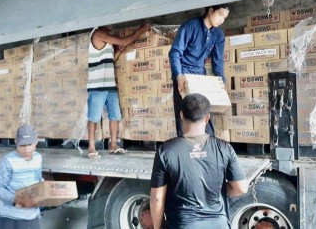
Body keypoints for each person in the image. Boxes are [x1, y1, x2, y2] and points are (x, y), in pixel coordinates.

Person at [150, 93, 248, 229]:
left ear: (181, 115)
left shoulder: (166, 151)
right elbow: (241, 188)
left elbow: (157, 198)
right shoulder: (224, 148)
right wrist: (215, 192)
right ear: (207, 118)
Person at [86, 24, 150, 159]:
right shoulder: (97, 33)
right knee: (94, 117)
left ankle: (113, 144)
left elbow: (111, 60)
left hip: (110, 84)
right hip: (97, 86)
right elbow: (124, 41)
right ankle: (91, 147)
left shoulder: (106, 41)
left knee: (115, 116)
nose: (112, 25)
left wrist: (119, 51)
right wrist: (141, 29)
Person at [169, 4, 231, 137]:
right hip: (183, 74)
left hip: (200, 76)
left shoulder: (218, 34)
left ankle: (208, 144)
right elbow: (175, 53)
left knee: (205, 112)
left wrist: (222, 83)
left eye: (225, 17)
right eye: (220, 14)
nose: (222, 20)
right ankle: (185, 146)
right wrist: (179, 76)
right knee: (184, 114)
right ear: (210, 11)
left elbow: (218, 61)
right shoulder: (190, 26)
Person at [0, 125, 43, 229]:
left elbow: (38, 180)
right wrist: (17, 200)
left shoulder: (38, 158)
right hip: (10, 217)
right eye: (23, 145)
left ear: (36, 142)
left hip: (31, 216)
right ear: (16, 142)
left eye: (30, 144)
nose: (27, 149)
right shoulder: (8, 161)